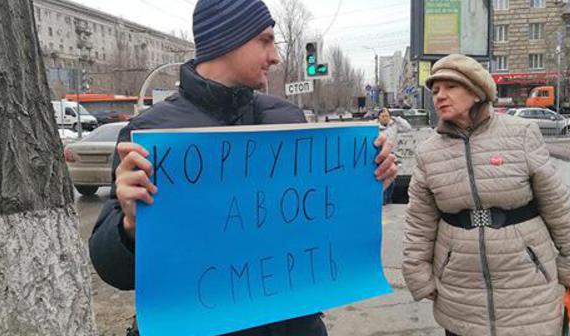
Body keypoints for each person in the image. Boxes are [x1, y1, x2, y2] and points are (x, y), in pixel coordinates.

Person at [88, 0, 398, 335]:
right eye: (264, 41)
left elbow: (319, 225)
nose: (275, 57)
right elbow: (113, 270)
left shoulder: (288, 121)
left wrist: (369, 183)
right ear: (227, 38)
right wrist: (131, 225)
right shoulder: (150, 136)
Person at [402, 53, 570, 336]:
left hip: (527, 284)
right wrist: (418, 274)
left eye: (451, 87)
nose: (440, 96)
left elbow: (558, 207)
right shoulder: (428, 152)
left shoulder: (521, 134)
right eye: (435, 91)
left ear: (476, 92)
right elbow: (419, 222)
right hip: (460, 290)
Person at [376, 108, 411, 204]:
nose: (385, 118)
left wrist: (397, 118)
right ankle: (382, 200)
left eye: (387, 116)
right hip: (381, 157)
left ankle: (389, 200)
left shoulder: (393, 125)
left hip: (392, 156)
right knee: (382, 180)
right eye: (383, 116)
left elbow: (407, 128)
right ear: (378, 117)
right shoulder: (375, 127)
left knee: (392, 180)